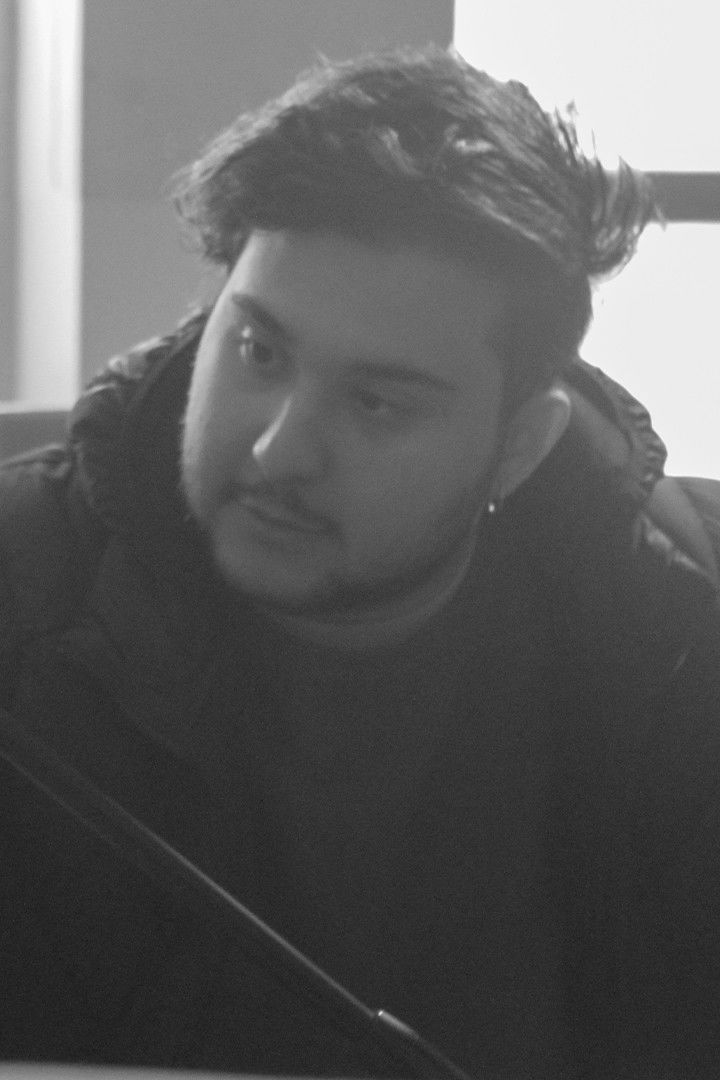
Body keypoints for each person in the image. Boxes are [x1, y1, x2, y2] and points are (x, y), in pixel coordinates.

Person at [1, 43, 719, 1080]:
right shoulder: (23, 605)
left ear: (518, 448)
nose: (277, 450)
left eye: (378, 403)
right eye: (259, 351)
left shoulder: (679, 650)